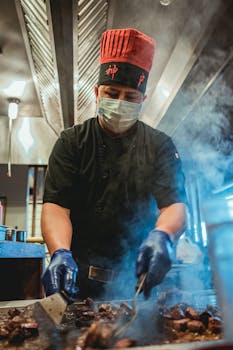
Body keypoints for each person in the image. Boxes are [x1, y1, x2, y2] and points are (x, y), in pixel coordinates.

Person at [41, 28, 187, 302]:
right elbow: (56, 207)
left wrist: (163, 235)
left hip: (136, 283)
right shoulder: (72, 142)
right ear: (97, 92)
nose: (120, 103)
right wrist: (60, 252)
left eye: (131, 97)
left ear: (143, 99)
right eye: (112, 93)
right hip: (76, 282)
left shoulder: (160, 146)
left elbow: (175, 205)